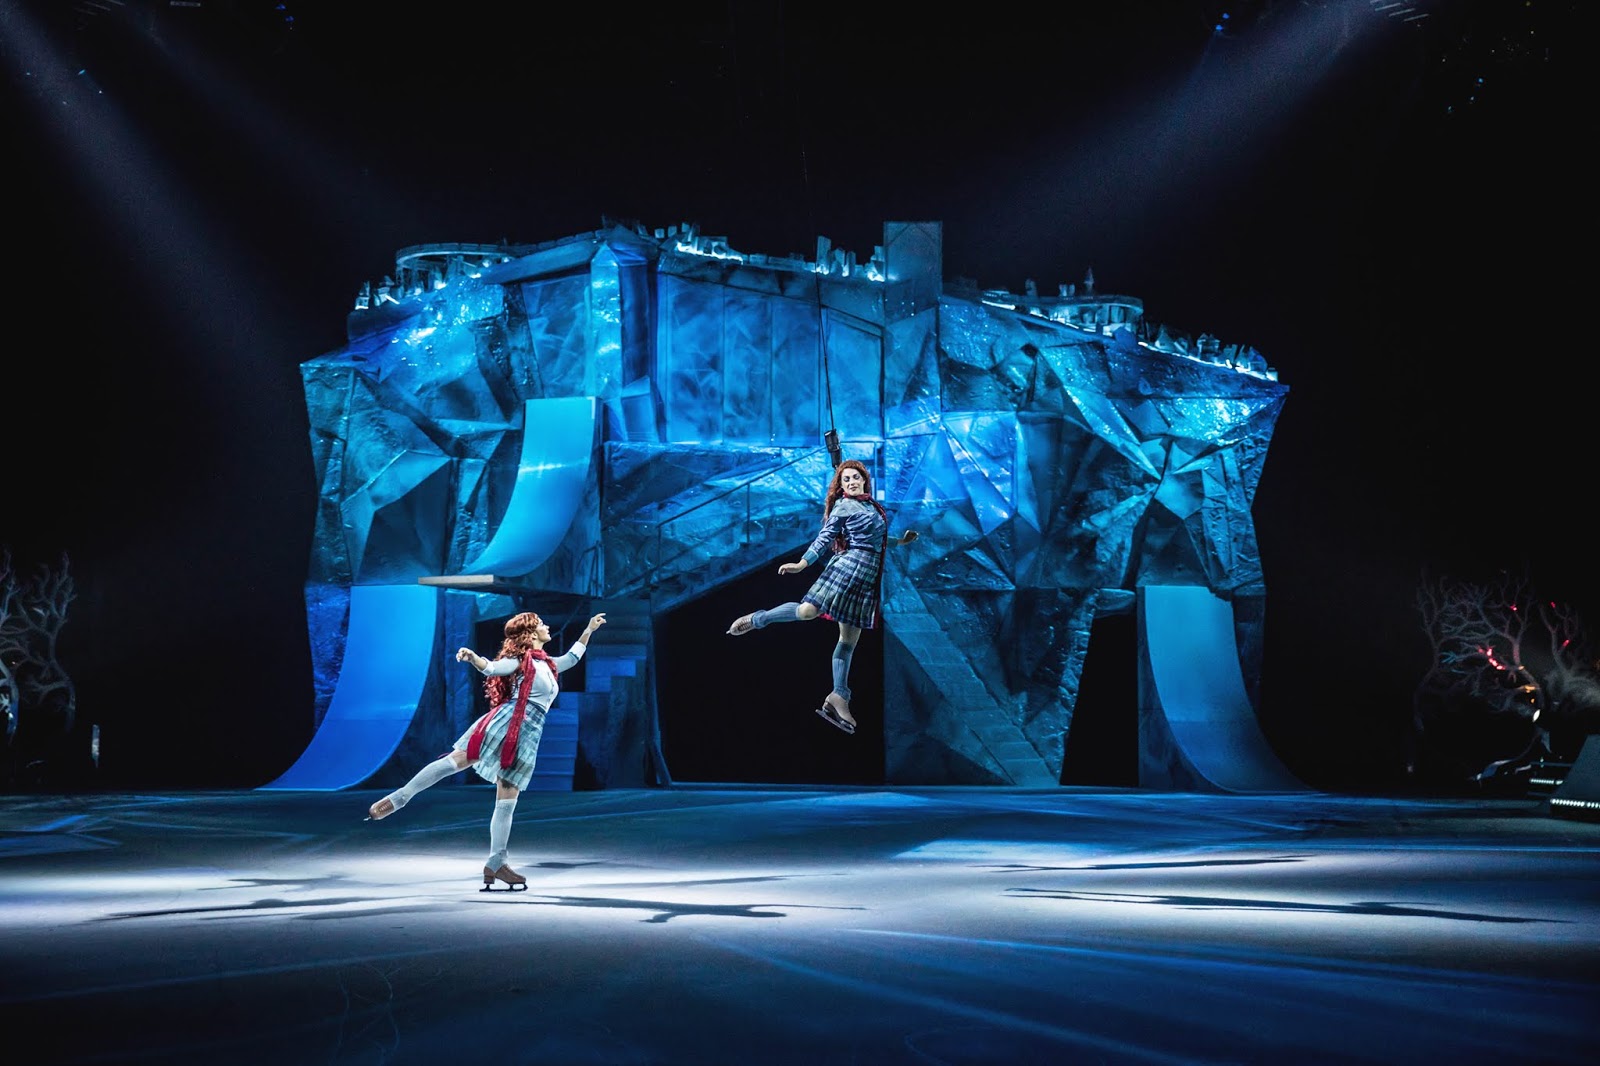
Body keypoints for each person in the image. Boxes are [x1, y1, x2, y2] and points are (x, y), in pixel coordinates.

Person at [364, 608, 608, 890]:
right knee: (459, 760)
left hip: (529, 732)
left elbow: (572, 658)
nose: (547, 626)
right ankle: (400, 798)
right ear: (530, 633)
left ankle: (496, 862)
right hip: (509, 721)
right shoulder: (520, 661)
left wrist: (589, 630)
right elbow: (492, 667)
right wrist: (473, 657)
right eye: (541, 623)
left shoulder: (547, 664)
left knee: (508, 796)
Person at [726, 459, 917, 733]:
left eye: (855, 477)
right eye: (846, 479)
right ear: (841, 486)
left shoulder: (872, 508)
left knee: (848, 640)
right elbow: (825, 537)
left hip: (868, 575)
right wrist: (802, 563)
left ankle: (839, 695)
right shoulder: (844, 506)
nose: (851, 482)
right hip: (849, 567)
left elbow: (878, 540)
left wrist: (902, 541)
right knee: (807, 611)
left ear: (864, 480)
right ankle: (759, 619)